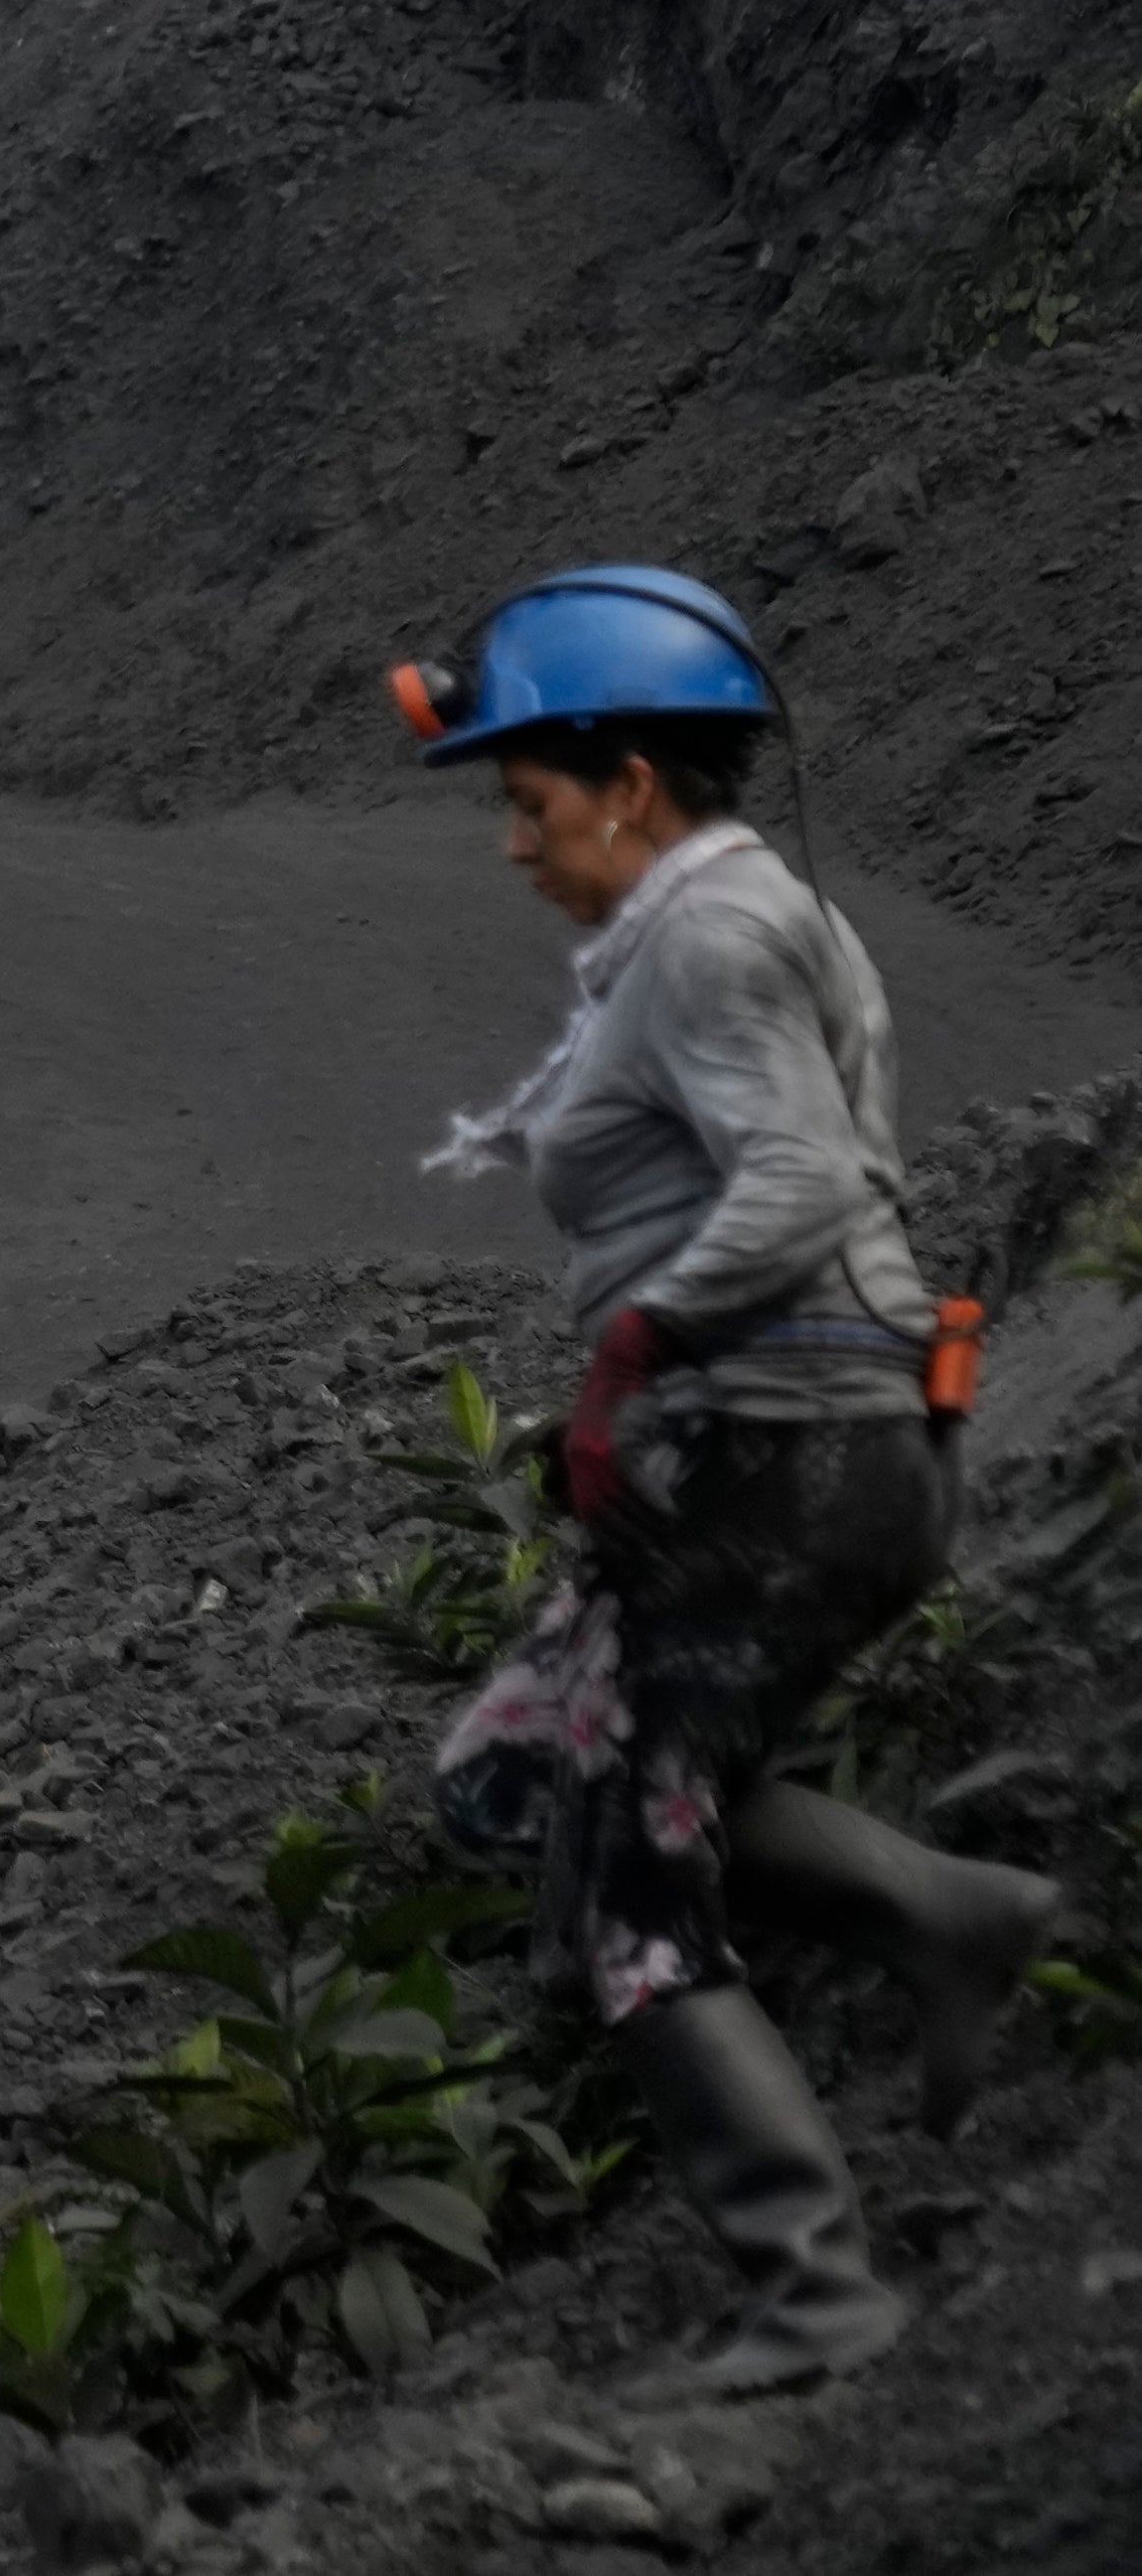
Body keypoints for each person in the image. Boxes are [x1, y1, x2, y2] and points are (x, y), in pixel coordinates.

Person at [400, 564, 1058, 2397]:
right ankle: (944, 1912)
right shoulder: (729, 925)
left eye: (527, 809)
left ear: (625, 784)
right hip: (772, 1445)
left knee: (631, 1889)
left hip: (785, 1457)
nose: (511, 851)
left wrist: (636, 1350)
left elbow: (805, 1186)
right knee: (512, 1778)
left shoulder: (712, 936)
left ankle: (811, 2282)